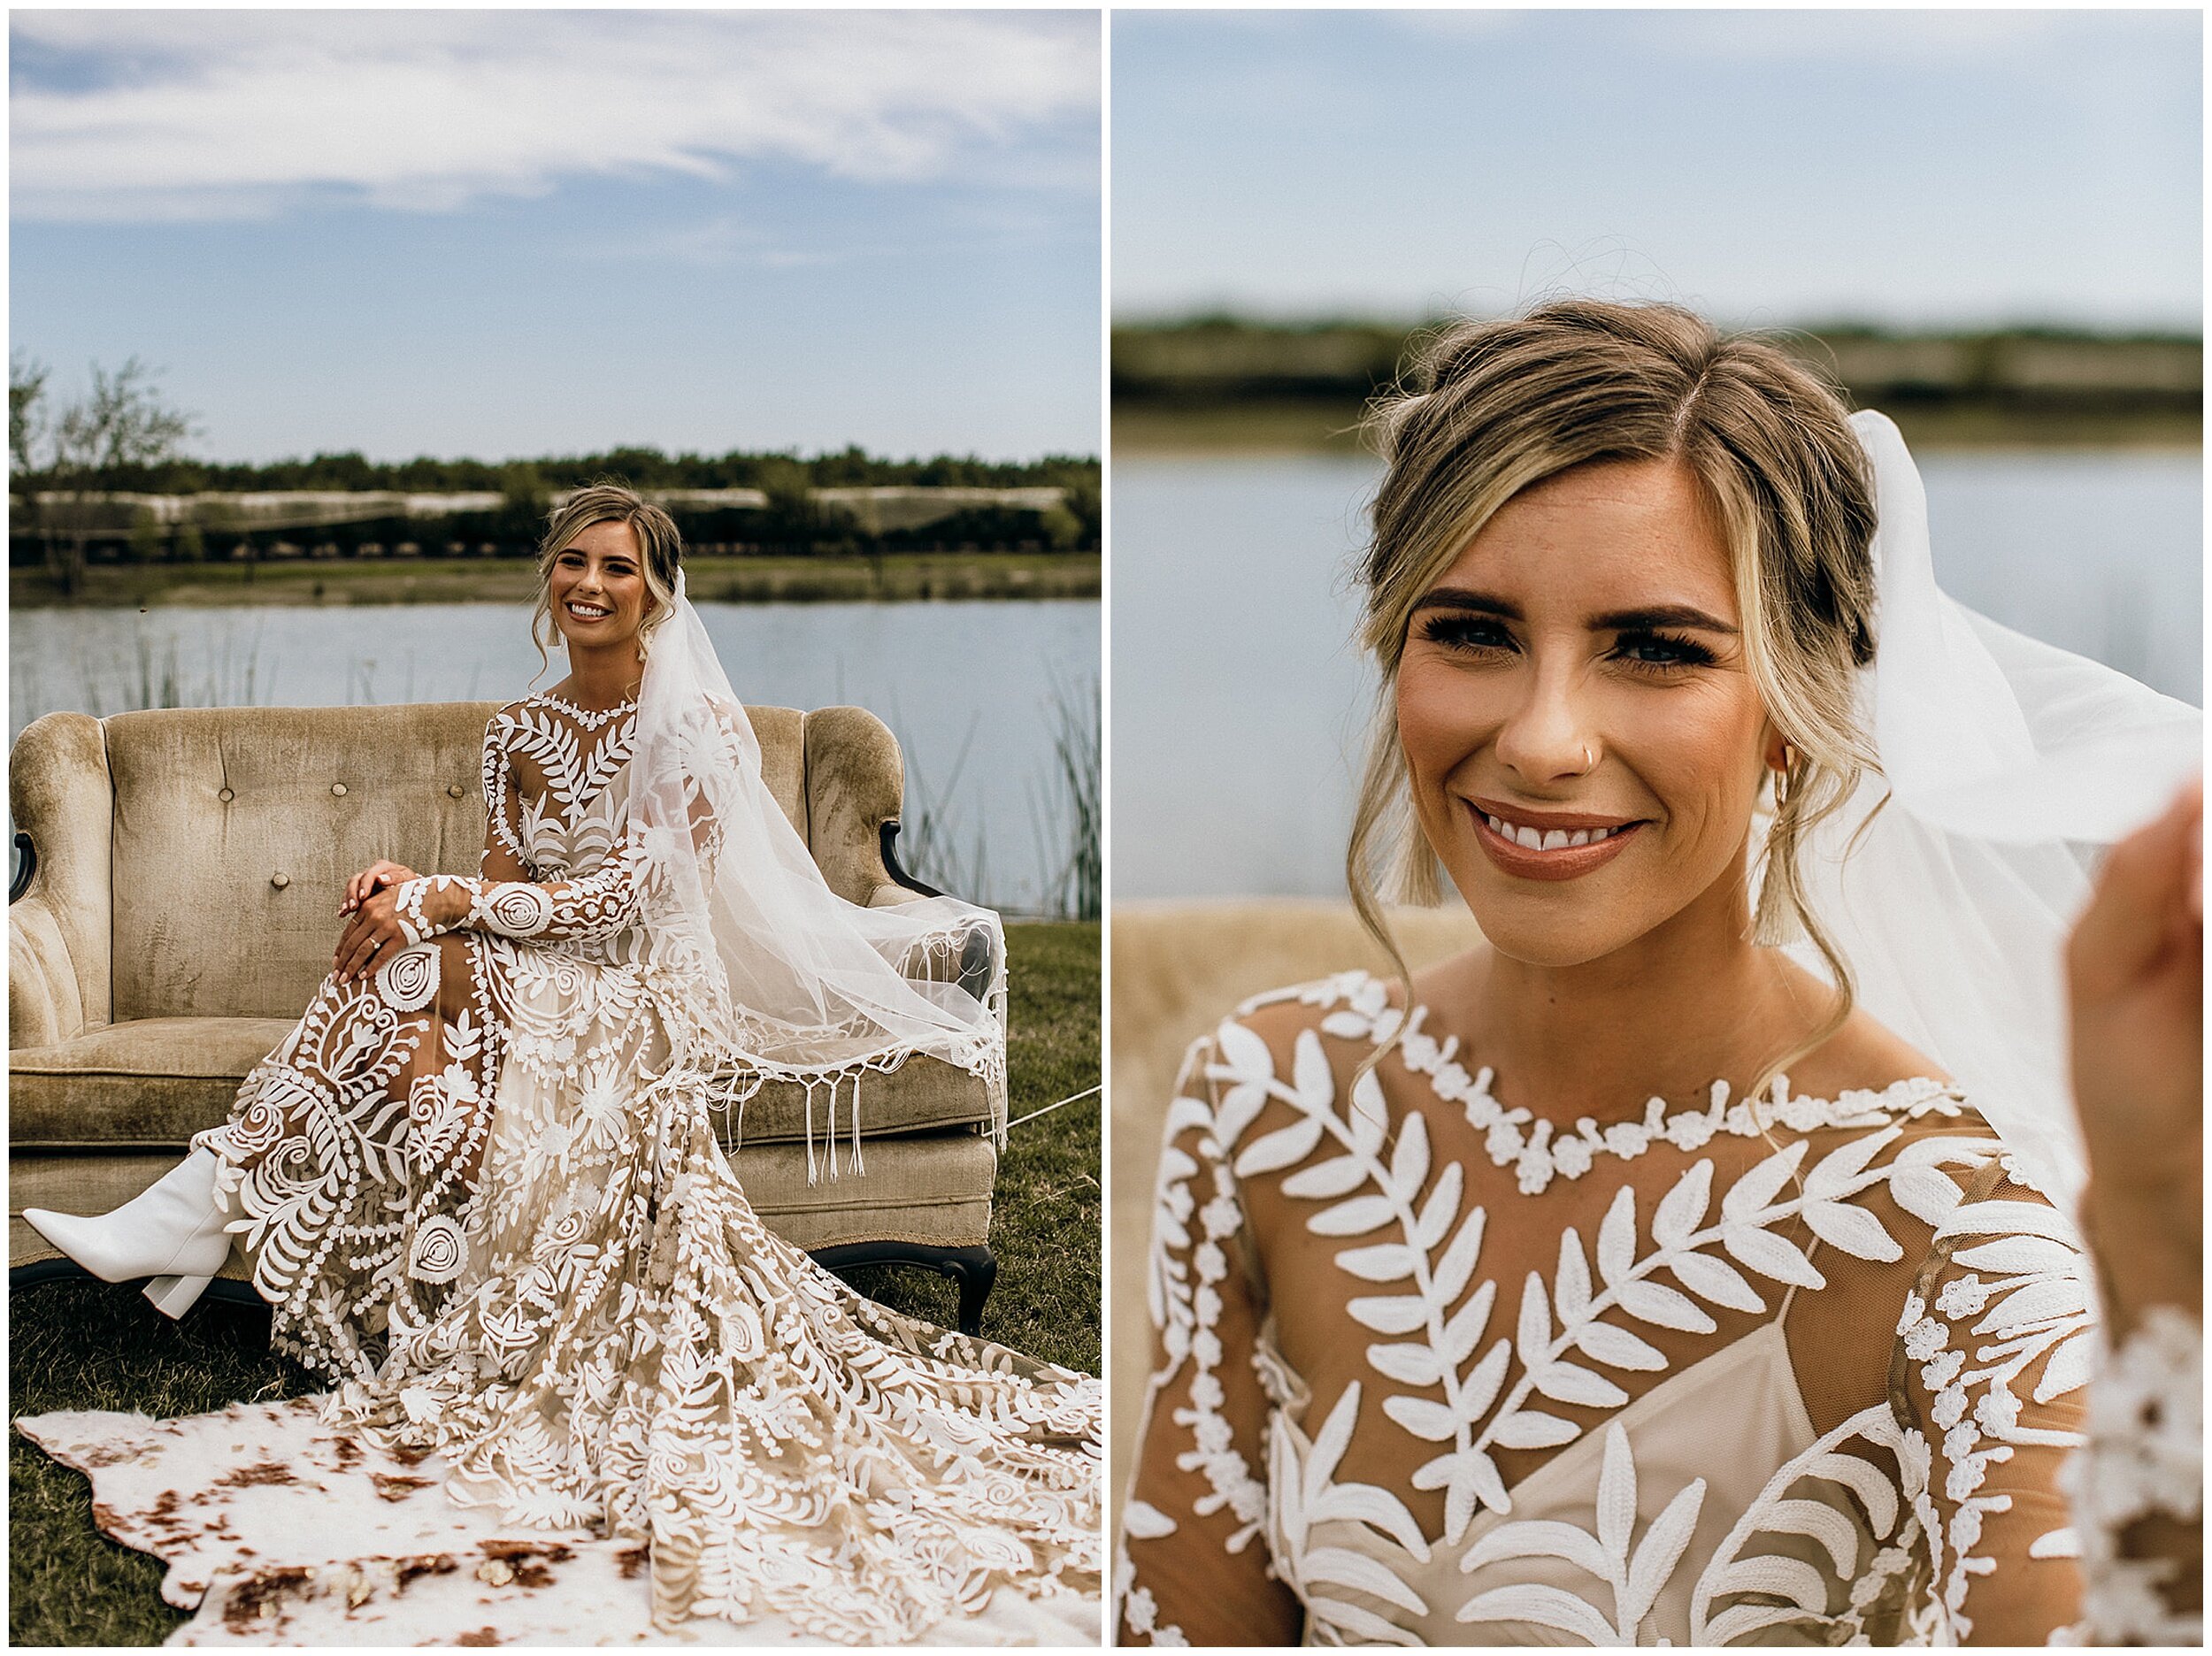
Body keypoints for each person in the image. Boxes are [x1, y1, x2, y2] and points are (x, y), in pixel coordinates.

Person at [1115, 301, 2199, 1646]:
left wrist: (2158, 1235)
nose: (1544, 739)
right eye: (1473, 630)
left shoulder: (1946, 1226)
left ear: (1803, 715)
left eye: (1656, 650)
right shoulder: (1272, 1096)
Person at [24, 486, 1101, 1643]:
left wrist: (440, 898)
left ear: (657, 594)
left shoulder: (689, 733)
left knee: (419, 918)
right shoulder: (518, 734)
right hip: (536, 973)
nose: (589, 584)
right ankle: (211, 1200)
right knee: (401, 937)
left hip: (641, 992)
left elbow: (617, 901)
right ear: (548, 577)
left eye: (618, 569)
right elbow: (498, 904)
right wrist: (421, 914)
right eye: (572, 562)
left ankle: (196, 1209)